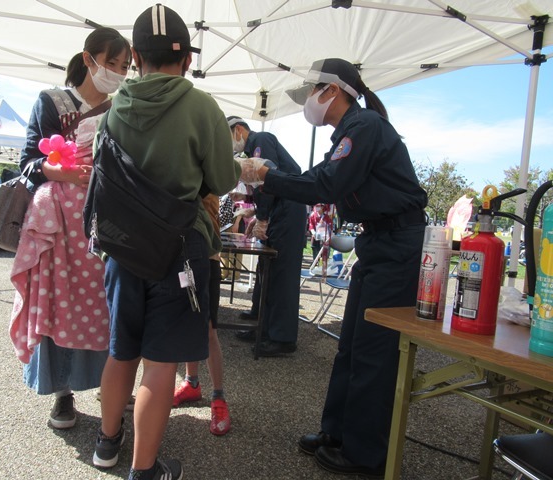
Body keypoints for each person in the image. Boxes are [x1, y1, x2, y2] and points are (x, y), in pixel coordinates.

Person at [237, 58, 428, 478]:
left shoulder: (364, 128)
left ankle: (365, 453)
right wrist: (271, 177)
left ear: (332, 90)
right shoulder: (350, 132)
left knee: (374, 349)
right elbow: (320, 177)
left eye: (311, 92)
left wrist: (268, 176)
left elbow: (326, 185)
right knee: (352, 344)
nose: (308, 102)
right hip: (380, 241)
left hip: (396, 243)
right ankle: (338, 432)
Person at [92, 5, 240, 480]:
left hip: (122, 249)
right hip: (179, 250)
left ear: (134, 56)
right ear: (189, 61)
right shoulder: (202, 107)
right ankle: (145, 470)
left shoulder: (113, 108)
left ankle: (106, 445)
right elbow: (221, 177)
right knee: (160, 364)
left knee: (121, 352)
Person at [9, 27, 131, 431]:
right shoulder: (52, 101)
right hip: (59, 226)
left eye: (125, 67)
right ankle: (62, 393)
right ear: (89, 58)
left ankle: (111, 388)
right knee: (58, 303)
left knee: (103, 305)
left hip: (103, 224)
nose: (117, 72)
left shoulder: (120, 108)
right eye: (111, 63)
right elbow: (27, 160)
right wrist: (55, 170)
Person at [227, 115, 307, 357]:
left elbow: (269, 180)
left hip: (288, 212)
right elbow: (267, 187)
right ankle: (260, 323)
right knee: (266, 271)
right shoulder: (252, 148)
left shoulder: (261, 139)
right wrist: (251, 203)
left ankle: (282, 338)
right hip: (280, 210)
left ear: (238, 129)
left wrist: (261, 217)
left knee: (281, 274)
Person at [172, 193, 231, 437]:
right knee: (186, 322)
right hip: (176, 252)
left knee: (208, 329)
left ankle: (218, 397)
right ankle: (192, 383)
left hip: (205, 255)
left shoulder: (204, 162)